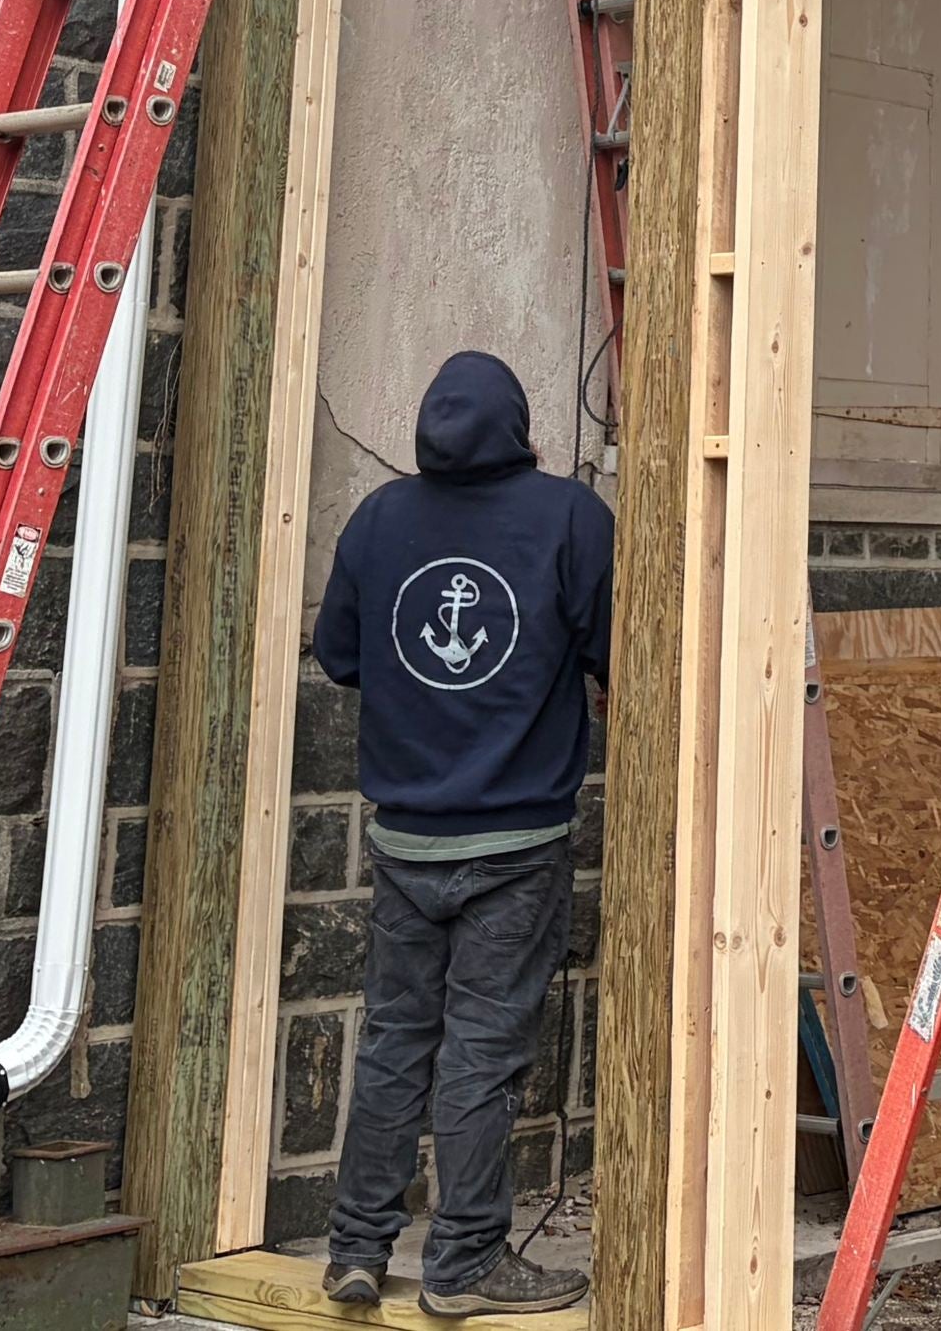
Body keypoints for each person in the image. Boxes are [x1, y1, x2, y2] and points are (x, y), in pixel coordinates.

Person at [311, 351, 614, 1315]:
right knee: (483, 1052)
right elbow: (619, 651)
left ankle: (357, 1249)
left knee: (397, 1042)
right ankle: (468, 1260)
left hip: (404, 842)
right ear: (521, 426)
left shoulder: (378, 521)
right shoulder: (571, 518)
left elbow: (341, 657)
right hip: (516, 845)